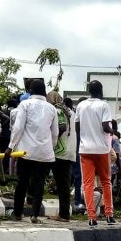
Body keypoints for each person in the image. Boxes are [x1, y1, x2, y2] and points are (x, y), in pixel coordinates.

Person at [9, 79, 58, 222]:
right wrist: (51, 148)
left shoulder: (24, 104)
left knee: (22, 182)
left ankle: (17, 213)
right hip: (44, 153)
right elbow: (54, 133)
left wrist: (11, 146)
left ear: (30, 91)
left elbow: (18, 128)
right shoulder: (51, 108)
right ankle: (35, 215)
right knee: (39, 183)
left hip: (26, 152)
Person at [77, 80, 118, 225]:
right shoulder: (104, 105)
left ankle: (91, 217)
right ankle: (109, 214)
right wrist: (113, 131)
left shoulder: (81, 105)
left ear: (89, 91)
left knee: (88, 184)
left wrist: (84, 137)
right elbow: (106, 127)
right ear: (101, 91)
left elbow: (77, 126)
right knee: (106, 181)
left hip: (85, 149)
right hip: (101, 150)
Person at [48, 92, 75, 221]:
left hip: (60, 151)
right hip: (69, 151)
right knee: (65, 184)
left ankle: (63, 214)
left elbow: (62, 126)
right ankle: (64, 213)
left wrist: (54, 140)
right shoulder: (70, 111)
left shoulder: (58, 110)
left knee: (62, 184)